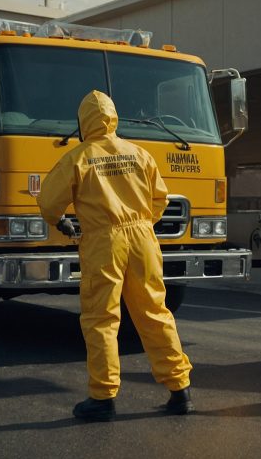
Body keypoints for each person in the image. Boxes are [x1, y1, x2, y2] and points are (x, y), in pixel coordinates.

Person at [37, 90, 194, 422]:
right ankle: (180, 389)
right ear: (113, 118)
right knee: (154, 312)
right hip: (143, 239)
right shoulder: (139, 153)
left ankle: (103, 397)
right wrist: (141, 224)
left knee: (102, 319)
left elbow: (49, 202)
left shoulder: (78, 157)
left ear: (84, 123)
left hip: (104, 241)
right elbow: (160, 199)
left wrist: (61, 222)